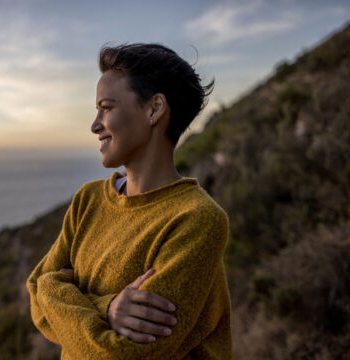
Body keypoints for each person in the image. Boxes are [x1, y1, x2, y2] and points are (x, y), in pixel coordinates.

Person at [26, 43, 233, 359]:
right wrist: (107, 307)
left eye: (106, 107)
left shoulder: (196, 218)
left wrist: (59, 291)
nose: (95, 125)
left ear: (154, 109)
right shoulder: (88, 200)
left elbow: (125, 353)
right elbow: (36, 295)